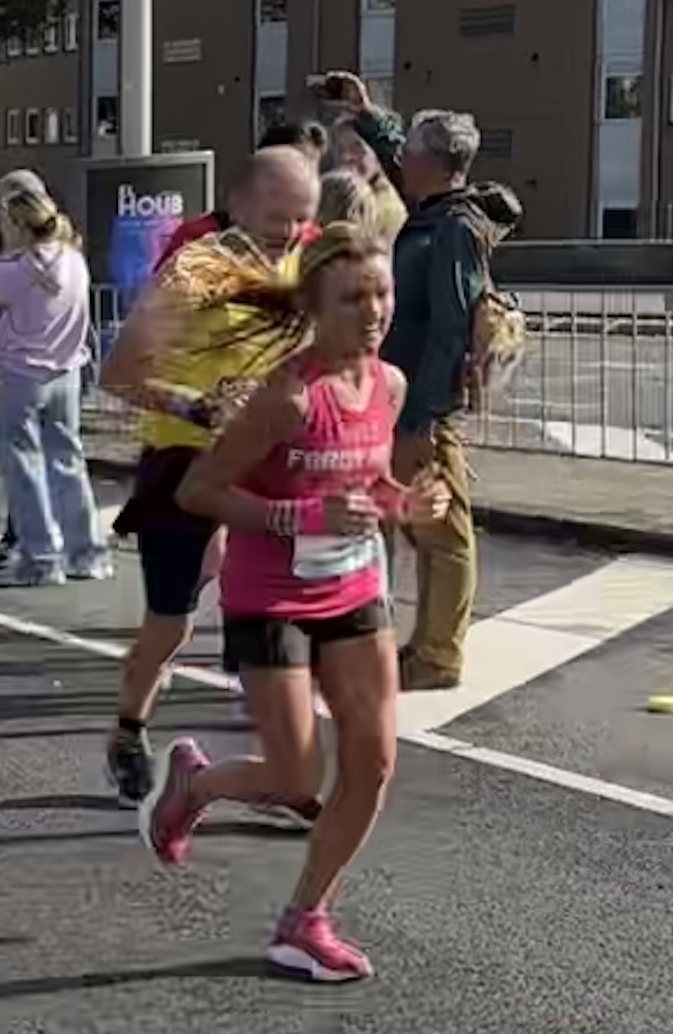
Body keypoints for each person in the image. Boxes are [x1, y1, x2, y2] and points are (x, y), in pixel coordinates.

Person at [140, 224, 448, 984]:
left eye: (382, 293)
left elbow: (366, 484)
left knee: (374, 763)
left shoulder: (389, 384)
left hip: (355, 589)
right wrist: (299, 517)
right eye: (352, 299)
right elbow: (199, 491)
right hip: (270, 598)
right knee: (296, 780)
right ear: (313, 306)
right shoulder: (285, 398)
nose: (373, 312)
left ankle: (306, 920)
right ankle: (194, 786)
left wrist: (406, 504)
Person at [93, 135, 320, 798]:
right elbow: (119, 373)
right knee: (171, 622)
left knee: (283, 618)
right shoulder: (197, 271)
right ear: (236, 205)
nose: (289, 232)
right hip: (186, 464)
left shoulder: (310, 264)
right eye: (276, 217)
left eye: (302, 216)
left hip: (269, 468)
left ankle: (286, 772)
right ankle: (129, 728)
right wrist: (199, 407)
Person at [385, 109, 491, 695]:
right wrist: (368, 115)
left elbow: (449, 331)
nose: (400, 161)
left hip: (424, 407)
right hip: (410, 402)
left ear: (430, 161)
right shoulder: (435, 214)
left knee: (444, 534)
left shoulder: (453, 227)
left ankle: (437, 657)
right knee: (426, 530)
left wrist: (424, 417)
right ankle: (427, 646)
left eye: (408, 152)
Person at [0, 175, 106, 584]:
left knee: (24, 467)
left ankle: (41, 558)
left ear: (19, 225)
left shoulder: (17, 266)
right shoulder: (74, 259)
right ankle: (86, 554)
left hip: (22, 373)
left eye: (5, 223)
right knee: (69, 461)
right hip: (66, 370)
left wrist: (10, 255)